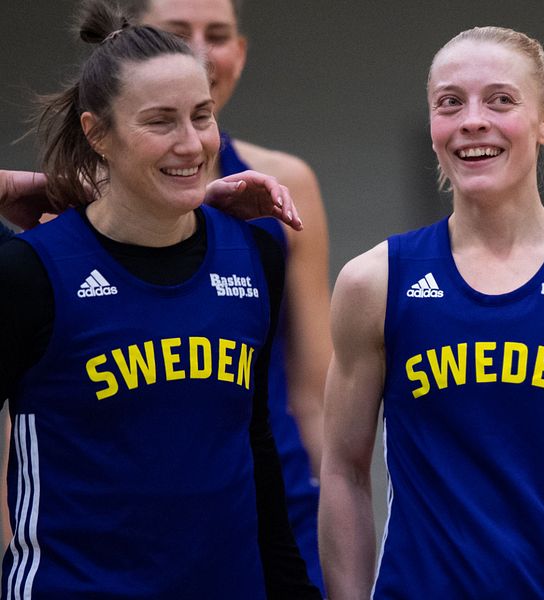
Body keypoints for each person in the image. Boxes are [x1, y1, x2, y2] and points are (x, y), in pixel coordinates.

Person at [2, 0, 332, 592]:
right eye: (160, 122)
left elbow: (255, 445)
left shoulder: (253, 256)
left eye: (202, 116)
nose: (191, 144)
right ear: (97, 133)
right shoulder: (32, 272)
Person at [319, 25, 544, 599]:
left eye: (500, 100)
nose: (472, 120)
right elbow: (344, 471)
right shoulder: (376, 281)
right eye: (450, 103)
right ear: (432, 127)